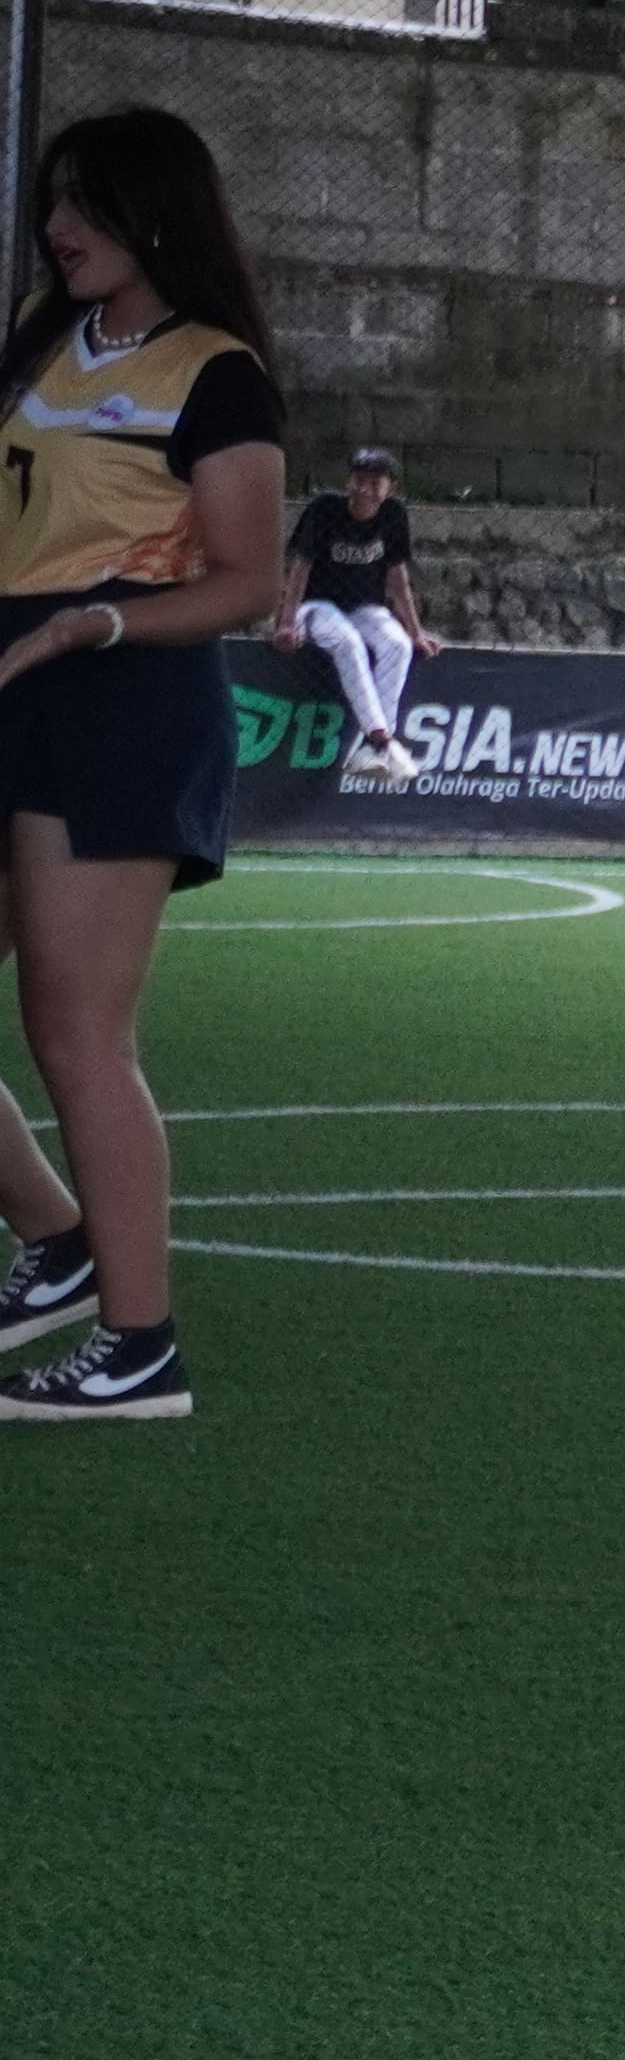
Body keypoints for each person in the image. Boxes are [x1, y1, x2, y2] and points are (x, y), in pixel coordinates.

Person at [0, 109, 290, 1421]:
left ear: (155, 210)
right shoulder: (41, 334)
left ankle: (137, 1345)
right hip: (18, 685)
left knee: (76, 1032)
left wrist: (95, 624)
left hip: (118, 702)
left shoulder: (217, 372)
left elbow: (244, 581)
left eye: (88, 203)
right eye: (55, 201)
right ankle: (55, 1237)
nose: (60, 227)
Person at [275, 442, 436, 784]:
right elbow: (299, 567)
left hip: (364, 607)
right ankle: (383, 741)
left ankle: (372, 747)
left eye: (375, 482)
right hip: (316, 605)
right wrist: (287, 621)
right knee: (348, 643)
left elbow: (397, 576)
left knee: (398, 645)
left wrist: (415, 631)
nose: (365, 488)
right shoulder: (324, 509)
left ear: (391, 487)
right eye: (359, 479)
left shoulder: (393, 515)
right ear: (348, 481)